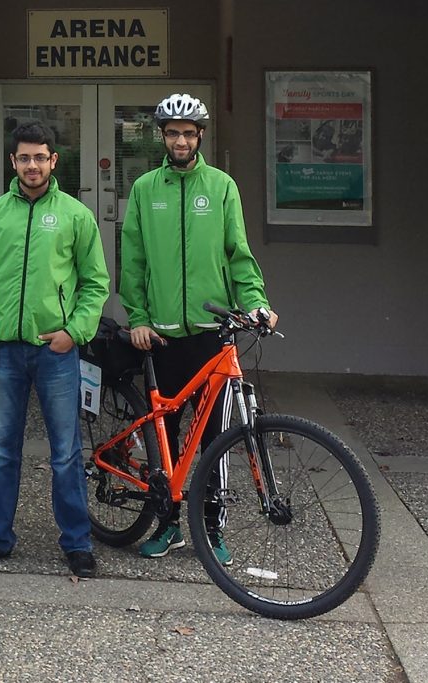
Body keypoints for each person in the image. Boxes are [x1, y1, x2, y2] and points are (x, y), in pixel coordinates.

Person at [119, 93, 278, 565]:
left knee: (215, 438)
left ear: (200, 136)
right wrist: (139, 318)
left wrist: (257, 304)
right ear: (162, 137)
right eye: (173, 133)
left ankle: (212, 527)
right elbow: (134, 259)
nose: (182, 140)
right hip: (163, 335)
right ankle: (167, 524)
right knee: (164, 437)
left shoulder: (222, 186)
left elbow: (239, 254)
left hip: (212, 333)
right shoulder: (146, 188)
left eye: (189, 132)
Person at [0, 121, 110, 579]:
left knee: (65, 451)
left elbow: (96, 283)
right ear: (13, 162)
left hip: (55, 352)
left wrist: (76, 331)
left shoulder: (74, 215)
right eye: (23, 158)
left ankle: (77, 542)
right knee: (2, 450)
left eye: (39, 157)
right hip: (2, 351)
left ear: (53, 161)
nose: (32, 165)